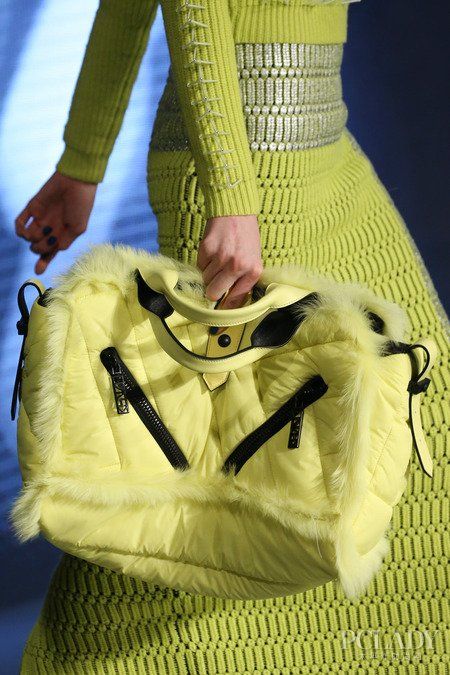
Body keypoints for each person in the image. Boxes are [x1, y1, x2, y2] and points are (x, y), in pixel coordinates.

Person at [14, 0, 449, 672]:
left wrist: (82, 163)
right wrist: (231, 195)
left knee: (410, 408)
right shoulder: (236, 190)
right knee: (214, 462)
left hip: (321, 147)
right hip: (248, 176)